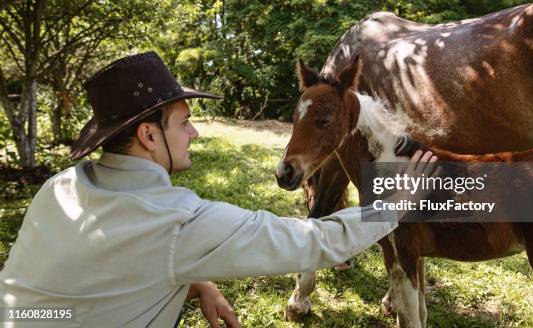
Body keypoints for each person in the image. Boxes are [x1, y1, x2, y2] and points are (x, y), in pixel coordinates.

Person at [0, 52, 436, 327]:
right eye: (184, 122)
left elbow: (71, 294)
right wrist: (399, 201)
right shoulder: (177, 222)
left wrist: (196, 282)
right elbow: (317, 240)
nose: (193, 134)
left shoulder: (59, 187)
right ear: (150, 136)